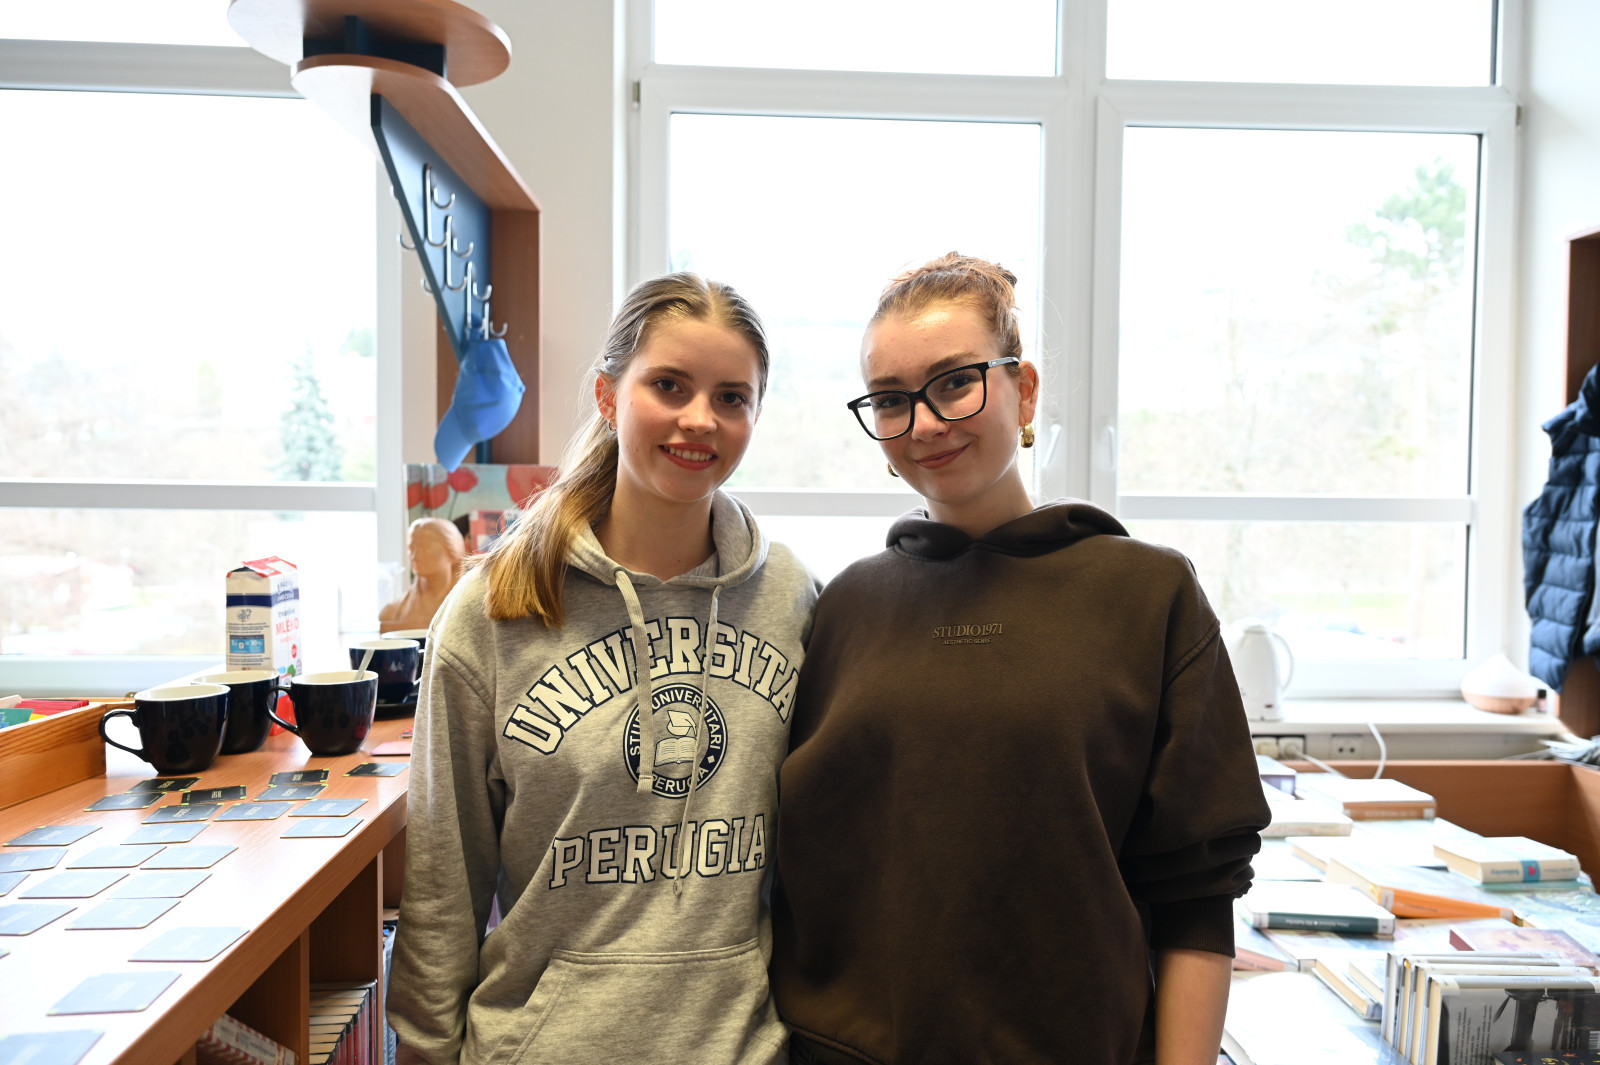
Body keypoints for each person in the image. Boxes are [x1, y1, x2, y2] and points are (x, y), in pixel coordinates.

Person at [770, 253, 1271, 1065]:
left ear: (1024, 390)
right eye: (891, 399)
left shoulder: (1148, 595)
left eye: (954, 382)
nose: (925, 423)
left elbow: (1198, 895)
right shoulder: (845, 608)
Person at [387, 273, 819, 1065]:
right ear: (608, 395)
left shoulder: (790, 598)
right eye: (669, 385)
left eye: (732, 397)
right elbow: (443, 886)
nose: (700, 418)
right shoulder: (493, 611)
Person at [379, 516, 466, 631]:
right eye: (411, 548)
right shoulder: (392, 612)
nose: (415, 556)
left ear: (452, 549)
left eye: (425, 547)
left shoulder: (468, 606)